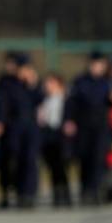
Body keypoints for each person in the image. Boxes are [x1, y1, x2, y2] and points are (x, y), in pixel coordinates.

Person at [0, 52, 43, 209]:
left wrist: (32, 84)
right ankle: (8, 191)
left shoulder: (33, 83)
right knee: (10, 161)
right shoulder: (4, 82)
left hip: (30, 127)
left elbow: (41, 100)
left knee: (30, 160)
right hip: (10, 127)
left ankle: (27, 194)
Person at [72, 51, 112, 205]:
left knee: (99, 159)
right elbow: (73, 103)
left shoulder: (108, 82)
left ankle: (97, 190)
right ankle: (86, 190)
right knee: (85, 158)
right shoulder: (80, 82)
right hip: (84, 125)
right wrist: (70, 121)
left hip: (101, 126)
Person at [38, 72, 75, 207]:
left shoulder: (67, 99)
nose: (47, 86)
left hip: (62, 136)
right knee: (52, 167)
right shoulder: (44, 100)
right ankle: (56, 195)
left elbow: (71, 116)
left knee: (62, 167)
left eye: (50, 83)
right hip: (48, 134)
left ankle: (66, 194)